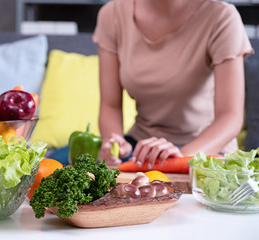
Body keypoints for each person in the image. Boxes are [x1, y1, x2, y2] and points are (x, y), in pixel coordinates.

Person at [93, 0, 254, 167]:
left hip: (204, 151)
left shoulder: (222, 16)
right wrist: (115, 144)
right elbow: (110, 105)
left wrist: (179, 158)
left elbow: (230, 117)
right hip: (141, 148)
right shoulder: (112, 14)